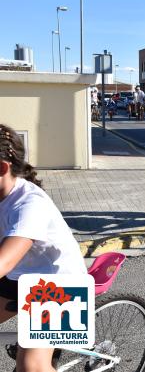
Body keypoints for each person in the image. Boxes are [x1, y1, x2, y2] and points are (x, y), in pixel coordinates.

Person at [0, 124, 87, 371]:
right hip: (20, 275)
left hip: (57, 282)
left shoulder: (29, 205)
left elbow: (3, 262)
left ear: (2, 168)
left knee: (31, 366)